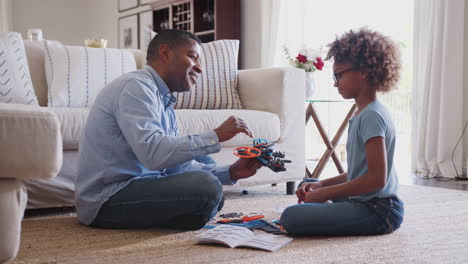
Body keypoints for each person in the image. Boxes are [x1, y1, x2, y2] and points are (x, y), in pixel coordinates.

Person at [75, 29, 263, 230]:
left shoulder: (164, 101)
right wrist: (215, 136)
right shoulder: (135, 87)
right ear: (165, 53)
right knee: (207, 188)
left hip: (141, 187)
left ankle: (187, 212)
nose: (200, 68)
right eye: (193, 57)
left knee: (206, 168)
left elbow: (175, 165)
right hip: (108, 199)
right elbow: (153, 155)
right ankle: (188, 213)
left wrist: (232, 172)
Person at [280, 28, 404, 236]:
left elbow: (376, 179)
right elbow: (359, 174)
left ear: (363, 71)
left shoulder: (371, 116)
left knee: (291, 217)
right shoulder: (364, 112)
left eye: (339, 75)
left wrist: (325, 193)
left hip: (379, 211)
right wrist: (320, 185)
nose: (336, 83)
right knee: (309, 184)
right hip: (369, 202)